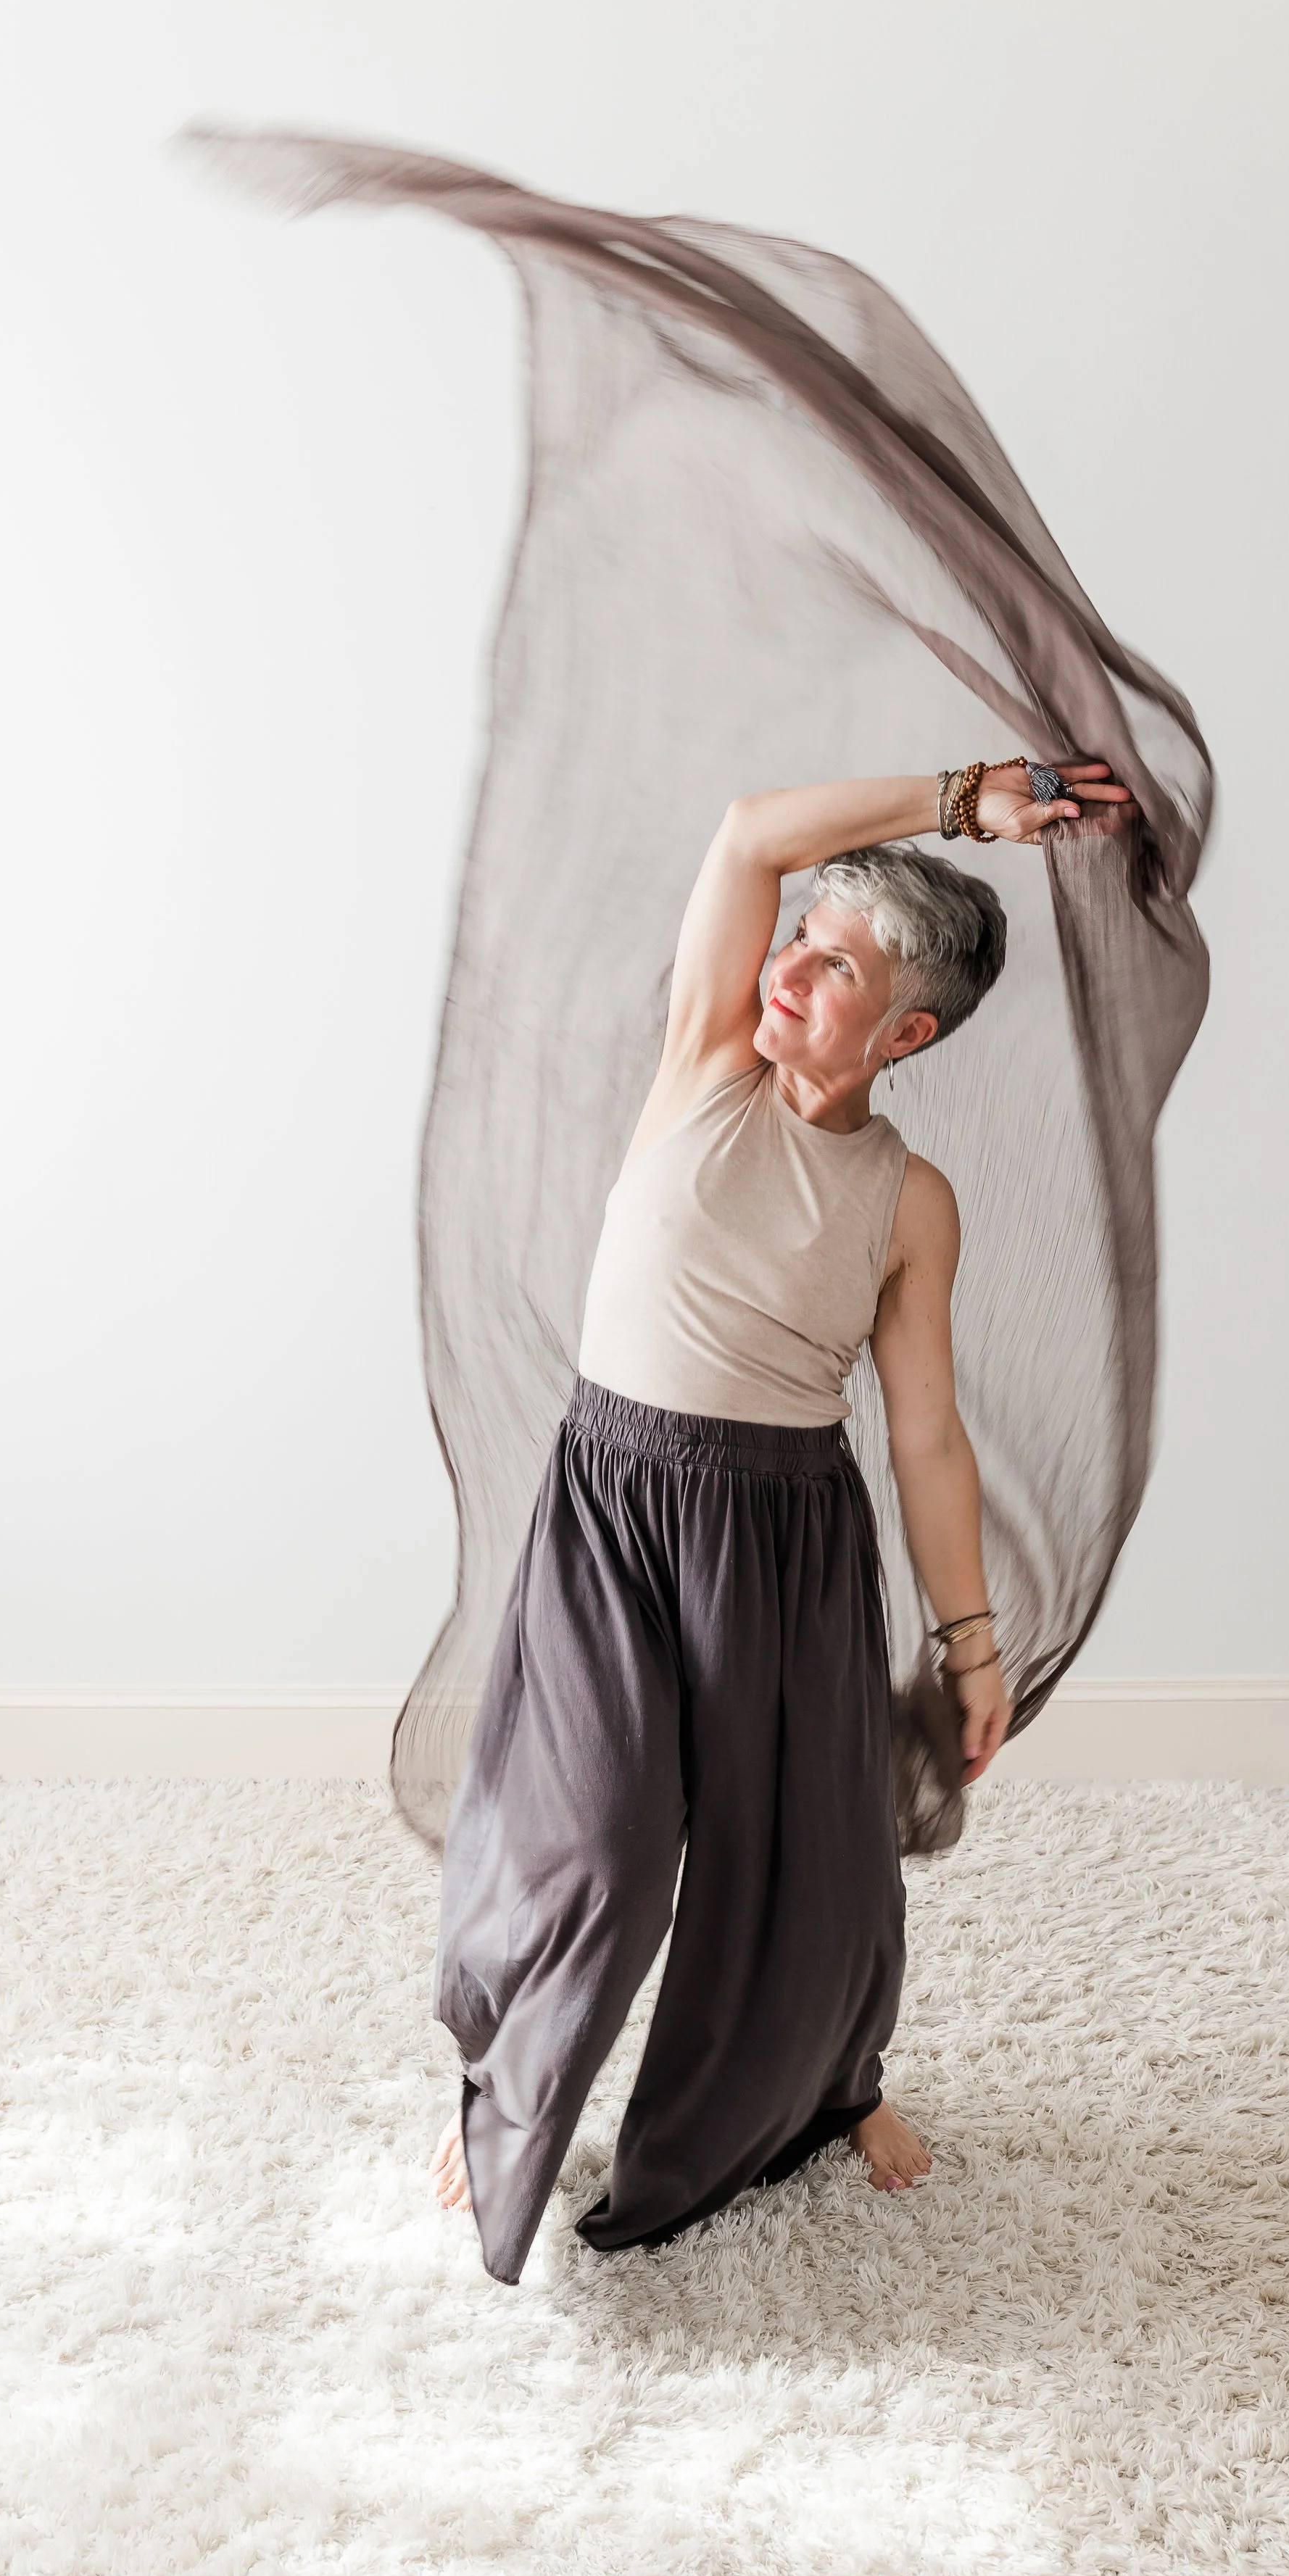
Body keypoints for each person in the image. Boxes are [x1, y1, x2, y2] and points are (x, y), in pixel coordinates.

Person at [428, 755, 1133, 2282]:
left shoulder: (906, 1200)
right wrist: (963, 801)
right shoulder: (702, 1066)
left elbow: (927, 1436)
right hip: (613, 1507)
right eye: (795, 939)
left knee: (806, 1856)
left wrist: (968, 1638)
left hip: (783, 1539)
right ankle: (505, 2087)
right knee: (590, 1842)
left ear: (906, 1033)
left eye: (836, 964)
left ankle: (829, 2088)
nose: (789, 968)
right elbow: (745, 831)